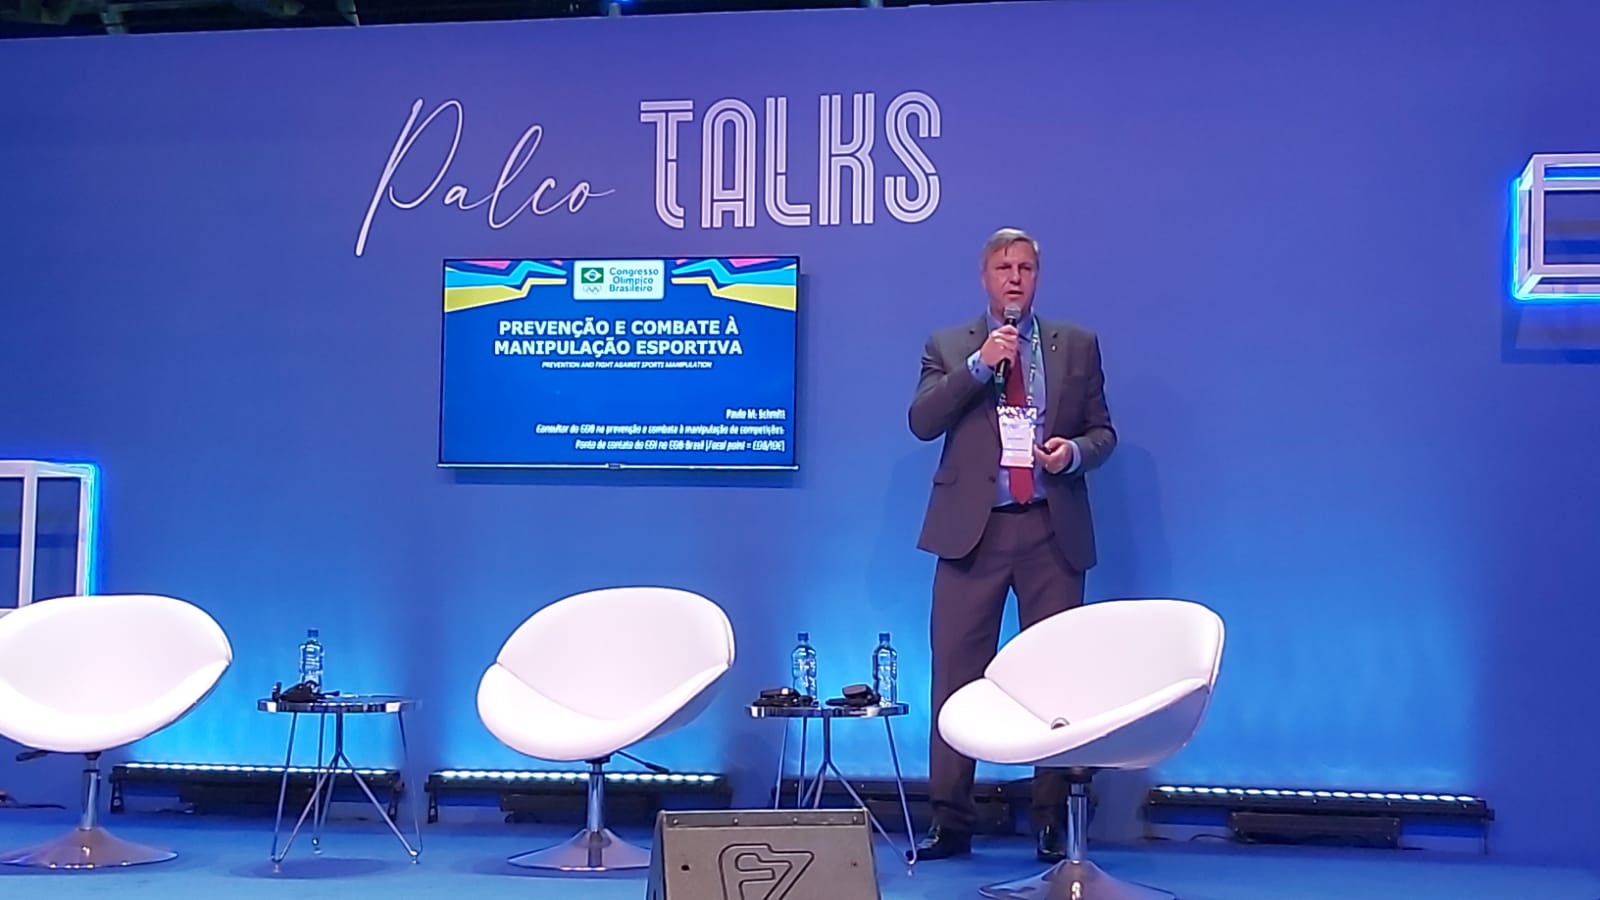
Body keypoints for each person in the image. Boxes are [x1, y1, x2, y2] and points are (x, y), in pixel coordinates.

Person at [907, 227, 1116, 861]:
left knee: (1056, 676)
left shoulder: (1076, 345)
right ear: (985, 277)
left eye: (1025, 268)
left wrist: (1072, 453)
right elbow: (922, 421)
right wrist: (979, 367)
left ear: (1037, 277)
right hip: (973, 532)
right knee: (955, 674)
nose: (1015, 278)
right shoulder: (949, 346)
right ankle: (951, 821)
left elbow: (1103, 433)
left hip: (1050, 528)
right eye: (1004, 269)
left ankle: (1052, 819)